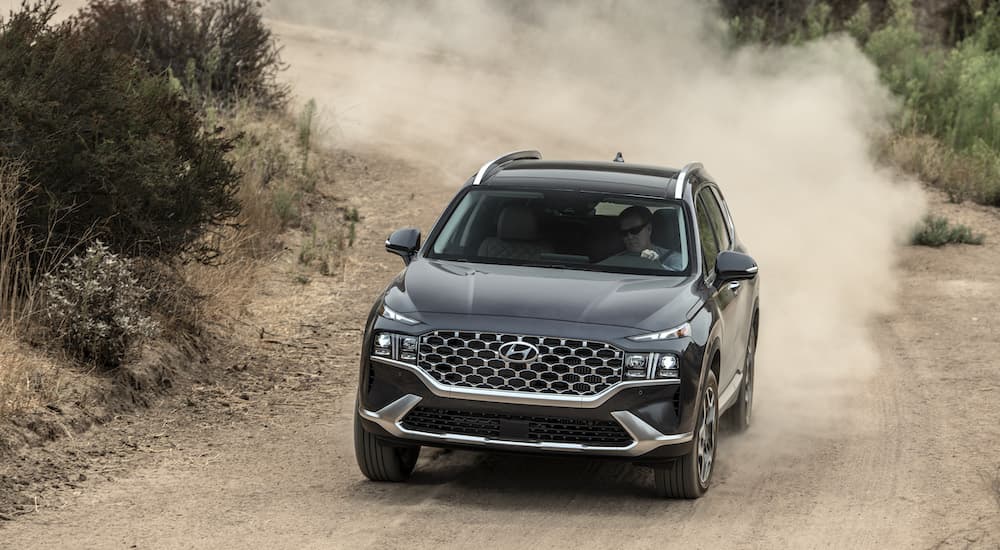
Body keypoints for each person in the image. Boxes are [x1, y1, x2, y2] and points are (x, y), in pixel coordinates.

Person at [613, 206, 684, 270]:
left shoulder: (675, 259)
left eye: (635, 230)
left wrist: (657, 266)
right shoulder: (615, 261)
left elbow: (678, 281)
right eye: (624, 233)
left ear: (649, 229)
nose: (629, 236)